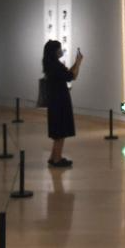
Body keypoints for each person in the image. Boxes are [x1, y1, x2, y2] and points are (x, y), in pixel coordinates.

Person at [43, 40, 83, 168]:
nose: (61, 51)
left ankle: (53, 156)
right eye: (59, 49)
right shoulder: (56, 66)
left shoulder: (51, 65)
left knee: (57, 130)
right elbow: (72, 76)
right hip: (60, 101)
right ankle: (57, 159)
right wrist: (78, 63)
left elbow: (67, 74)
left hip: (54, 100)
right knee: (61, 131)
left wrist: (75, 63)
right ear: (54, 51)